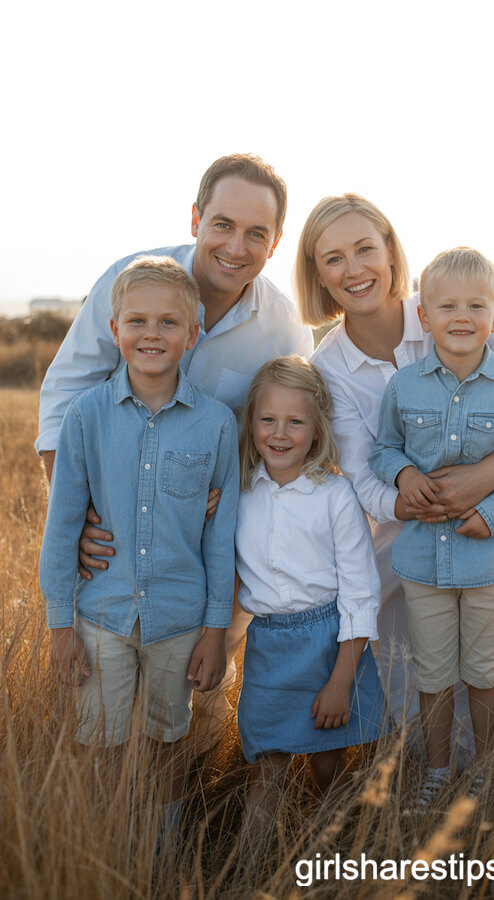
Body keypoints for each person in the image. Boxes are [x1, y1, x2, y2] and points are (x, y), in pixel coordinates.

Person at [36, 153, 313, 735]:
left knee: (197, 690)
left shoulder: (284, 328)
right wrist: (80, 516)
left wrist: (237, 488)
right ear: (195, 219)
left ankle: (182, 814)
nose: (236, 246)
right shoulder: (131, 283)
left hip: (215, 536)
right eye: (222, 225)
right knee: (102, 688)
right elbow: (64, 394)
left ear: (276, 241)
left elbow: (286, 427)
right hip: (120, 526)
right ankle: (110, 817)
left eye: (255, 233)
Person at [294, 193, 494, 741]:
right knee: (419, 699)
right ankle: (428, 802)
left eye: (366, 248)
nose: (354, 269)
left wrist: (487, 474)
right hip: (405, 554)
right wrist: (407, 497)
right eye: (334, 258)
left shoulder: (456, 304)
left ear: (392, 253)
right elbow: (362, 477)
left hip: (488, 530)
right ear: (317, 275)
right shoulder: (328, 366)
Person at [39, 256, 240, 849]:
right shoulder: (86, 417)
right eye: (138, 321)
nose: (152, 334)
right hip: (101, 615)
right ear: (114, 329)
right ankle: (101, 839)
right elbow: (61, 529)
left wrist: (215, 632)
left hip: (180, 620)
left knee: (166, 739)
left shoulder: (217, 425)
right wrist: (59, 628)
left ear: (193, 334)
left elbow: (220, 538)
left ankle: (162, 845)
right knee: (96, 736)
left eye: (169, 323)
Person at [368, 247, 494, 803]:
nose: (461, 316)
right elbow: (383, 450)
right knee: (432, 676)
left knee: (484, 675)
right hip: (422, 564)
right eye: (447, 305)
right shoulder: (404, 388)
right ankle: (435, 772)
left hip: (489, 562)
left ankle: (483, 772)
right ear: (423, 316)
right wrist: (403, 476)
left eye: (477, 306)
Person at [234, 356, 387, 839]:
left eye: (295, 422)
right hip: (269, 647)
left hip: (329, 645)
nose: (280, 433)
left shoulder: (336, 496)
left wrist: (342, 679)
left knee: (326, 764)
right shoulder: (239, 493)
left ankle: (338, 857)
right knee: (267, 764)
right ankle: (247, 873)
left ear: (317, 430)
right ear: (252, 423)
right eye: (268, 420)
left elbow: (361, 593)